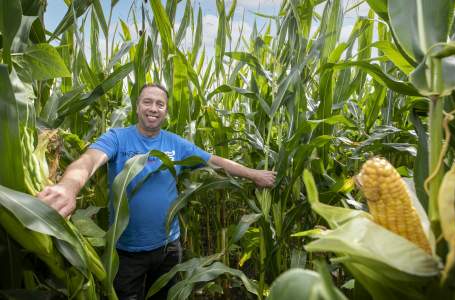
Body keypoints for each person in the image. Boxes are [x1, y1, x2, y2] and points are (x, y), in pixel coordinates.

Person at [37, 83, 276, 300]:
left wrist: (254, 174)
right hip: (124, 253)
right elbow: (88, 161)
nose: (153, 108)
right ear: (137, 106)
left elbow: (216, 161)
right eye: (147, 102)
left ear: (166, 111)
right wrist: (68, 186)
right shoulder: (117, 138)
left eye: (160, 104)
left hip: (168, 250)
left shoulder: (176, 144)